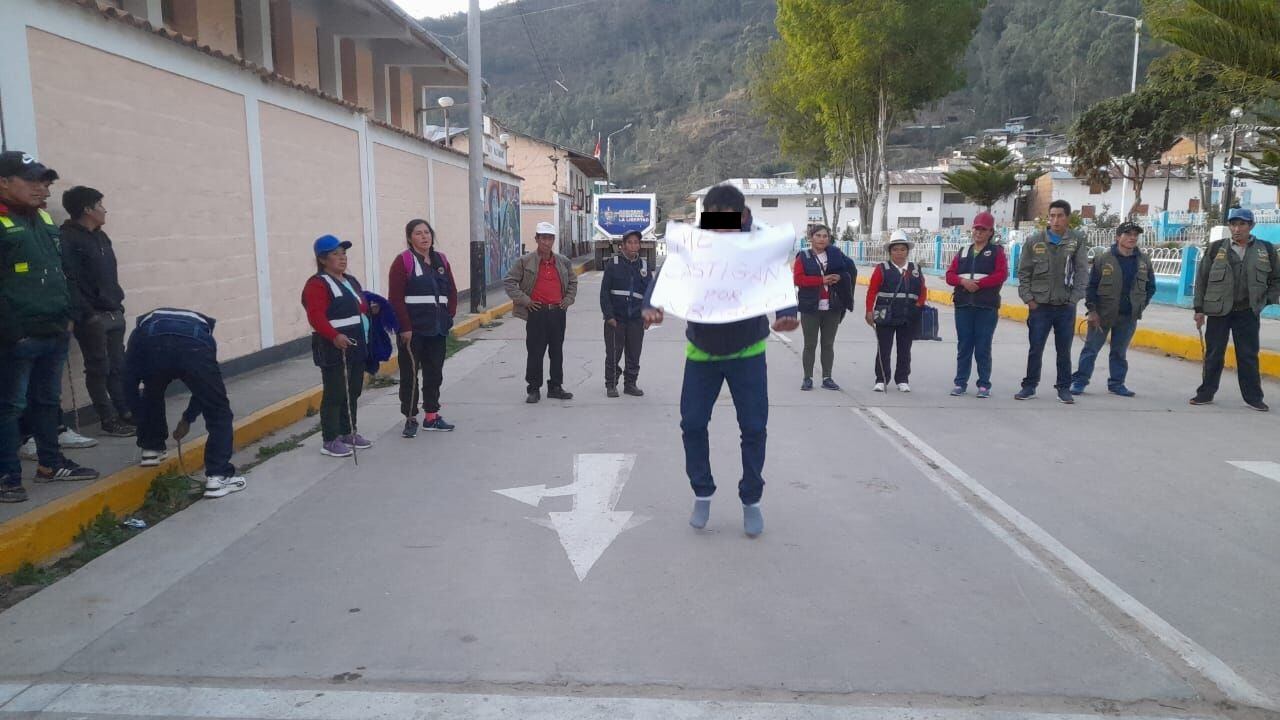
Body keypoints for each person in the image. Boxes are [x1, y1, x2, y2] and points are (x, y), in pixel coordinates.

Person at [643, 183, 799, 538]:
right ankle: (702, 490)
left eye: (728, 221)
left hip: (748, 351)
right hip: (702, 352)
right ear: (706, 216)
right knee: (692, 424)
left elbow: (776, 277)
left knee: (754, 428)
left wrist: (787, 311)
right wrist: (649, 306)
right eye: (715, 220)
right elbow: (664, 278)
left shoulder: (760, 244)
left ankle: (751, 500)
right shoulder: (693, 243)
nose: (721, 228)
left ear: (744, 216)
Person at [1, 151, 99, 503]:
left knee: (46, 402)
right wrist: (12, 330)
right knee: (9, 407)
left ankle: (50, 464)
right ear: (4, 182)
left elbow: (59, 271)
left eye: (45, 181)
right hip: (16, 337)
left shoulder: (41, 219)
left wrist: (69, 315)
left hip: (54, 330)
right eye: (32, 181)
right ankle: (7, 476)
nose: (43, 188)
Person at [124, 308, 244, 498]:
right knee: (218, 410)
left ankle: (151, 449)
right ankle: (218, 476)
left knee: (151, 391)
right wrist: (188, 418)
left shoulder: (142, 328)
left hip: (150, 343)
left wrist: (137, 417)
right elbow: (204, 391)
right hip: (193, 346)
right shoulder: (203, 332)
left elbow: (128, 381)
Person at [60, 185, 134, 437]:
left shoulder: (101, 237)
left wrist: (118, 302)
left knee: (118, 366)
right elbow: (69, 279)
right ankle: (107, 418)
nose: (105, 210)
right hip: (91, 317)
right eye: (100, 205)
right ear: (87, 209)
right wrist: (86, 313)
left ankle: (125, 411)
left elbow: (109, 274)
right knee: (98, 368)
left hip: (114, 312)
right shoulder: (68, 238)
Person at [1191, 208, 1280, 410]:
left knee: (1248, 355)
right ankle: (1205, 393)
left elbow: (1276, 279)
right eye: (1233, 224)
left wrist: (1265, 300)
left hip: (1247, 311)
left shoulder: (1265, 249)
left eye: (1242, 224)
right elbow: (1201, 281)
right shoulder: (1215, 249)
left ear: (1251, 226)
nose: (1236, 228)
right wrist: (1199, 309)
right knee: (1214, 354)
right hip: (1218, 310)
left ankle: (1254, 397)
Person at [302, 234, 371, 457]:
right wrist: (334, 336)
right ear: (323, 260)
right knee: (335, 392)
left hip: (356, 344)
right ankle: (330, 438)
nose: (342, 259)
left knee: (353, 390)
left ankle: (348, 431)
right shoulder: (317, 284)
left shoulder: (349, 281)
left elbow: (359, 307)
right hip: (334, 346)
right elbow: (316, 316)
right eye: (336, 255)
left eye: (344, 254)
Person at [1070, 222, 1156, 397]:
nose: (1132, 237)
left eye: (1135, 235)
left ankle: (1117, 383)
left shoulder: (1143, 261)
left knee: (1119, 352)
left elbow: (1151, 287)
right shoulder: (1104, 259)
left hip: (1128, 316)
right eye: (1128, 234)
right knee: (1091, 349)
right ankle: (1080, 382)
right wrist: (1092, 310)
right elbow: (1091, 286)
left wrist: (1139, 305)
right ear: (1118, 237)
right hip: (1102, 314)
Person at [1015, 199, 1089, 403]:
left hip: (1065, 305)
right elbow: (1024, 272)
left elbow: (1082, 271)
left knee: (1063, 350)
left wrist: (1074, 298)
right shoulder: (1035, 241)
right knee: (1035, 348)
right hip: (1040, 305)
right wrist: (1028, 299)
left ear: (1068, 218)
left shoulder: (1076, 240)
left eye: (1060, 216)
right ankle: (1029, 386)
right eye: (1052, 216)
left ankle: (1063, 388)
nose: (1056, 220)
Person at [389, 219, 458, 437]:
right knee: (410, 376)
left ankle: (431, 416)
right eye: (418, 233)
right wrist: (405, 327)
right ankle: (410, 418)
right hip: (413, 331)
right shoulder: (403, 262)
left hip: (437, 329)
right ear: (410, 238)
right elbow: (396, 298)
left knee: (434, 373)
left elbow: (452, 290)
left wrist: (449, 314)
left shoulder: (441, 260)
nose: (424, 237)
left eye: (427, 232)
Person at [504, 221, 578, 403]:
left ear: (553, 240)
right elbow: (509, 281)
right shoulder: (525, 261)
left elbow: (573, 282)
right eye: (543, 238)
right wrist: (525, 300)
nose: (546, 242)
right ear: (536, 239)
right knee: (535, 352)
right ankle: (534, 389)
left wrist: (568, 299)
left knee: (556, 351)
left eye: (550, 238)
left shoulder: (563, 262)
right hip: (537, 312)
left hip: (558, 312)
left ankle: (555, 387)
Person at [945, 211, 1008, 398]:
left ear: (990, 232)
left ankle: (984, 384)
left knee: (983, 345)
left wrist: (978, 285)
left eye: (983, 229)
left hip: (986, 307)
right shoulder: (963, 252)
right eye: (976, 228)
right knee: (964, 345)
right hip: (963, 305)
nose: (978, 232)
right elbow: (950, 275)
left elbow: (1001, 275)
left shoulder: (997, 252)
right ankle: (960, 382)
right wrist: (964, 282)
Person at [793, 224, 856, 390]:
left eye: (825, 236)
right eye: (818, 236)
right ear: (811, 238)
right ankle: (808, 378)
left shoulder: (836, 255)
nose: (822, 239)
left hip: (832, 307)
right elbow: (798, 280)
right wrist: (822, 280)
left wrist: (840, 279)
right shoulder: (803, 257)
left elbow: (849, 273)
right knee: (810, 344)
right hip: (810, 307)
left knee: (828, 344)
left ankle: (827, 377)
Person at [865, 230, 927, 392]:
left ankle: (902, 379)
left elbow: (923, 290)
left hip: (908, 316)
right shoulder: (882, 268)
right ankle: (881, 379)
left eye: (902, 249)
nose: (899, 252)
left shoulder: (915, 269)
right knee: (883, 348)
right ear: (890, 251)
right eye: (895, 249)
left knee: (904, 349)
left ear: (907, 251)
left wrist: (918, 306)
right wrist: (869, 311)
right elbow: (872, 291)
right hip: (885, 315)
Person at [599, 230, 649, 398]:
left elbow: (650, 293)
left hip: (636, 319)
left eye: (636, 242)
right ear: (623, 245)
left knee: (634, 353)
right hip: (616, 319)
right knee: (613, 353)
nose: (634, 245)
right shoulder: (613, 264)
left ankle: (630, 384)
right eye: (630, 242)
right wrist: (609, 316)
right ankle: (611, 385)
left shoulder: (643, 266)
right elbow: (604, 292)